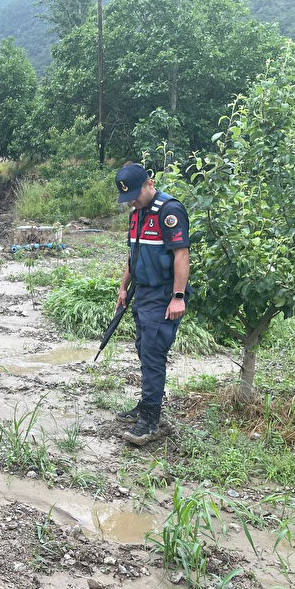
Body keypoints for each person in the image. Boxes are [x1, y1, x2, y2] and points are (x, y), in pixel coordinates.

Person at [113, 163, 190, 446]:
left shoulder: (170, 211)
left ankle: (151, 422)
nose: (132, 200)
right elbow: (133, 255)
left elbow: (182, 255)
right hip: (142, 293)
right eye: (128, 197)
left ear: (150, 183)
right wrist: (123, 288)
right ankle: (145, 406)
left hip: (164, 295)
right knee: (144, 350)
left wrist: (178, 296)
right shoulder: (137, 215)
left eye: (135, 194)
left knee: (154, 355)